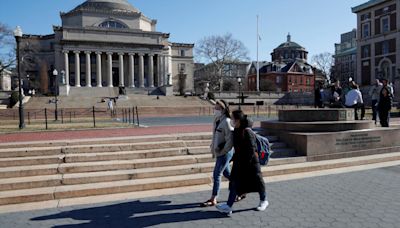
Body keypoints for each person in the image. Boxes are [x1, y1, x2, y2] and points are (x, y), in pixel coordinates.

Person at [216, 110, 268, 215]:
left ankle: (264, 201)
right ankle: (228, 206)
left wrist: (245, 163)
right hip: (240, 163)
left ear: (238, 120)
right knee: (235, 184)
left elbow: (251, 150)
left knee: (258, 183)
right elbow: (238, 149)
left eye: (233, 118)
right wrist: (232, 158)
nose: (231, 120)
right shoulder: (237, 130)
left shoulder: (247, 131)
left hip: (251, 164)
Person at [201, 100, 234, 207]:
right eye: (215, 107)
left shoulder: (227, 121)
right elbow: (216, 135)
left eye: (217, 108)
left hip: (225, 153)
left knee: (217, 174)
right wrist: (213, 146)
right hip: (219, 151)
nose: (215, 110)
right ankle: (240, 188)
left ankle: (214, 198)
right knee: (227, 173)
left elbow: (230, 140)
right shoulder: (217, 120)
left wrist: (223, 150)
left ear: (223, 109)